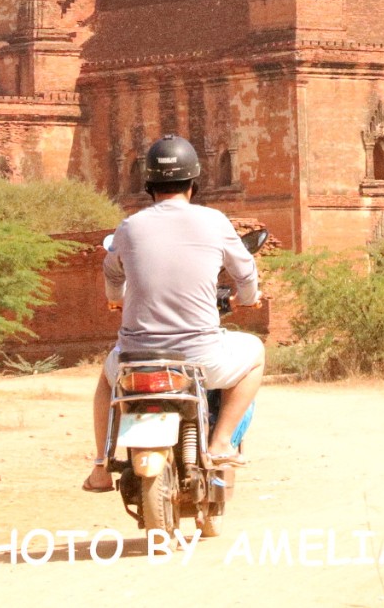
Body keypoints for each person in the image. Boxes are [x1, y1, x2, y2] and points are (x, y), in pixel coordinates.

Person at [84, 134, 263, 494]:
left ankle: (101, 466)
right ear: (194, 183)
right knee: (255, 353)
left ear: (148, 184)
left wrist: (115, 299)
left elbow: (112, 272)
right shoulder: (214, 221)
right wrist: (249, 298)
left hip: (137, 359)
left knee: (107, 380)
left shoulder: (130, 227)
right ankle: (221, 442)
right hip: (200, 358)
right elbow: (245, 272)